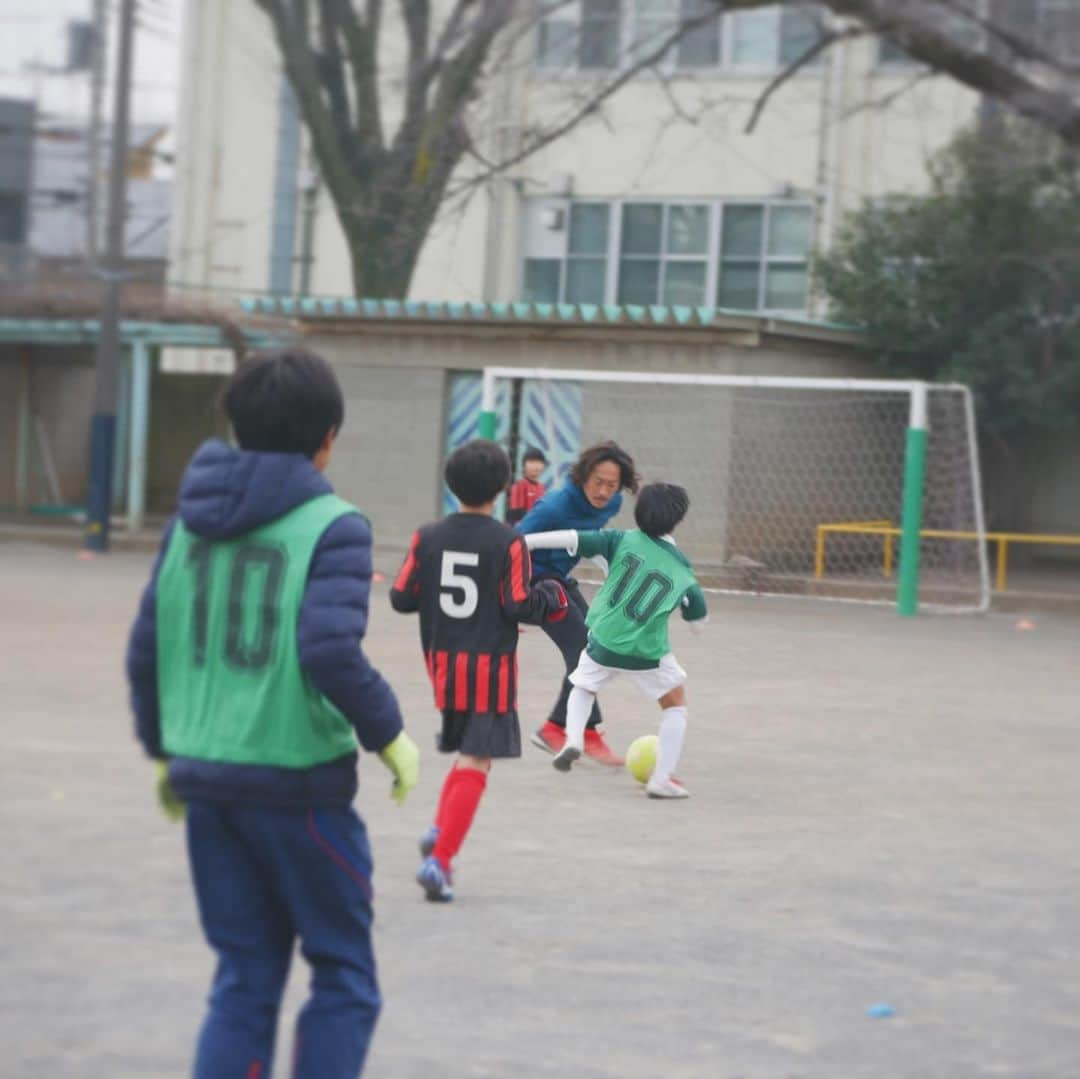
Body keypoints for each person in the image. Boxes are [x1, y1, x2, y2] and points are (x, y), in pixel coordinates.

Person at [126, 350, 419, 1079]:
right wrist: (388, 733)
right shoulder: (334, 524)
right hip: (298, 789)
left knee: (244, 979)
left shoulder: (187, 523)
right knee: (343, 973)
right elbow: (327, 649)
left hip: (207, 783)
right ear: (327, 436)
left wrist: (166, 748)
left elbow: (144, 651)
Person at [390, 439, 569, 902]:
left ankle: (438, 831)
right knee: (477, 759)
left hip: (443, 667)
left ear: (451, 484)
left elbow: (401, 597)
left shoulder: (426, 536)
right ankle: (440, 861)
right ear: (501, 489)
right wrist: (550, 594)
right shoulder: (508, 541)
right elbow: (518, 604)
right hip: (489, 670)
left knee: (466, 754)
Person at [524, 482, 707, 799]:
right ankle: (661, 779)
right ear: (676, 519)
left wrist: (524, 541)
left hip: (603, 639)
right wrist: (695, 619)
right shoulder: (682, 568)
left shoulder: (620, 540)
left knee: (583, 685)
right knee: (675, 704)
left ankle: (573, 741)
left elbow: (570, 537)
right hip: (645, 651)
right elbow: (698, 619)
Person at [516, 440, 639, 767]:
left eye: (612, 485)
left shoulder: (610, 505)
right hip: (536, 582)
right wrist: (507, 598)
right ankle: (563, 727)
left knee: (597, 647)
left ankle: (578, 728)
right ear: (584, 476)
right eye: (598, 481)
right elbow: (513, 543)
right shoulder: (554, 507)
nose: (603, 491)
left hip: (559, 578)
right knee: (584, 650)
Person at [506, 446, 548, 526]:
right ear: (524, 465)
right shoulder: (519, 486)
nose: (536, 466)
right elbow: (515, 514)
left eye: (539, 462)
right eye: (531, 462)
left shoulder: (541, 487)